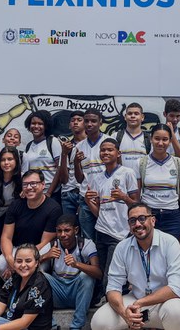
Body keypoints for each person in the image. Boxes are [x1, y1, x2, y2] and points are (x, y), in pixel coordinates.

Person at [91, 202, 180, 330]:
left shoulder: (170, 242)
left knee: (175, 312)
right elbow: (112, 288)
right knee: (99, 321)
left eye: (142, 218)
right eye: (132, 221)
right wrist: (124, 313)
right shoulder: (122, 247)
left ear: (153, 220)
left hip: (168, 302)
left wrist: (140, 302)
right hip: (137, 301)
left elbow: (175, 288)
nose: (137, 224)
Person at [84, 138, 139, 289]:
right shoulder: (97, 178)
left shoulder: (127, 173)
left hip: (120, 233)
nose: (106, 153)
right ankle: (105, 300)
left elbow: (137, 205)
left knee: (111, 274)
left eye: (110, 150)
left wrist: (124, 197)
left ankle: (111, 302)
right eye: (103, 150)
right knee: (102, 272)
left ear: (118, 153)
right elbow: (98, 212)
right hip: (101, 231)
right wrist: (88, 202)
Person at [0, 243, 54, 330]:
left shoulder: (40, 285)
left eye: (28, 261)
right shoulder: (15, 277)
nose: (23, 265)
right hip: (11, 319)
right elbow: (0, 307)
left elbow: (24, 323)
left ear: (37, 263)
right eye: (19, 261)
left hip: (27, 327)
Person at [42, 214, 103, 330]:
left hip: (78, 295)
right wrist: (45, 256)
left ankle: (76, 327)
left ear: (76, 230)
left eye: (67, 230)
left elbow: (98, 273)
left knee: (87, 276)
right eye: (59, 231)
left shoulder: (86, 244)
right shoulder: (52, 245)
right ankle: (52, 326)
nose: (63, 235)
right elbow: (29, 266)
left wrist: (77, 264)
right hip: (58, 293)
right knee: (39, 277)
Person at [137, 124, 180, 248]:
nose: (160, 143)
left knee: (172, 256)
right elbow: (137, 198)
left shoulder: (177, 163)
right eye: (157, 138)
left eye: (165, 139)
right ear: (151, 139)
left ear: (170, 141)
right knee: (148, 255)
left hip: (173, 218)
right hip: (148, 217)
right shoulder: (141, 163)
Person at [0, 170, 62, 272]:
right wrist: (10, 260)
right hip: (17, 248)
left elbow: (44, 242)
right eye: (25, 184)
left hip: (39, 249)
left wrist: (22, 261)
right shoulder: (16, 205)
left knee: (36, 268)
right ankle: (10, 287)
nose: (29, 188)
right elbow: (6, 237)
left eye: (33, 183)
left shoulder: (53, 208)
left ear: (43, 185)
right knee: (1, 264)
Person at [75, 108, 109, 240]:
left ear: (100, 123)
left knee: (105, 237)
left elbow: (118, 169)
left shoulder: (109, 142)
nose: (89, 124)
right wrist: (76, 163)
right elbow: (79, 179)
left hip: (106, 197)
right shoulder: (79, 146)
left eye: (93, 121)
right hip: (86, 198)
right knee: (89, 240)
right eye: (87, 121)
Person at [22, 110, 64, 198]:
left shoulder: (53, 141)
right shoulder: (29, 146)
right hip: (34, 192)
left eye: (40, 124)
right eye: (33, 123)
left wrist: (49, 192)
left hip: (51, 193)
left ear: (46, 126)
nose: (36, 126)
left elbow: (60, 169)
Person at [58, 110, 85, 217]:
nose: (75, 122)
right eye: (72, 121)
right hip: (67, 193)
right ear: (69, 125)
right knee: (69, 229)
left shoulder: (91, 145)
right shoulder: (67, 146)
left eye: (79, 120)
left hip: (85, 193)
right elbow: (63, 179)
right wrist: (64, 154)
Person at [117, 102, 149, 171]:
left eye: (136, 114)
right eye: (130, 113)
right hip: (122, 180)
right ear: (125, 117)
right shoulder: (116, 137)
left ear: (142, 117)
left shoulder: (149, 139)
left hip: (142, 180)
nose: (132, 116)